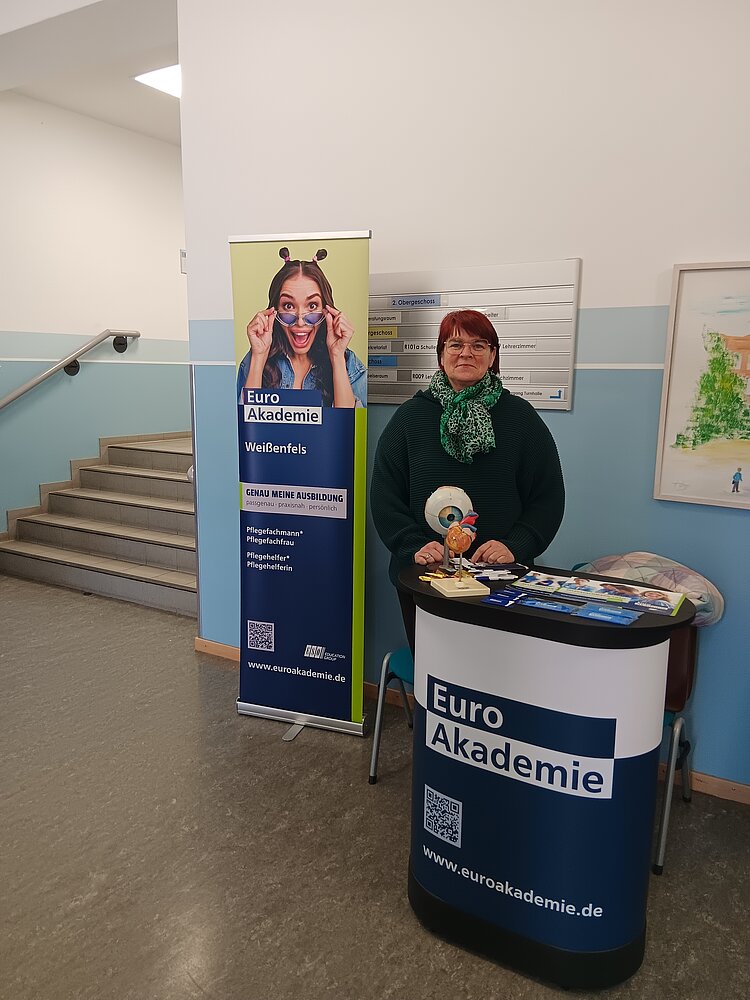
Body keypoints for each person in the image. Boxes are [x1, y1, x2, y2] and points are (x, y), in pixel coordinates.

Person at [370, 308, 565, 652]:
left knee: (494, 678)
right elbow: (386, 495)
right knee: (435, 674)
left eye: (478, 345)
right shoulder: (410, 418)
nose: (466, 353)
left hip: (500, 579)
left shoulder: (521, 419)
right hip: (425, 576)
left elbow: (547, 498)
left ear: (492, 356)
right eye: (455, 344)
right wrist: (412, 544)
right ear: (441, 355)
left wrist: (515, 546)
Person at [236, 247, 366, 407]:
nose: (300, 321)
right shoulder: (254, 360)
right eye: (289, 306)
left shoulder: (349, 364)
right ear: (274, 311)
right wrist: (259, 357)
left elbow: (351, 428)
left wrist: (337, 357)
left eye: (312, 305)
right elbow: (245, 426)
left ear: (327, 310)